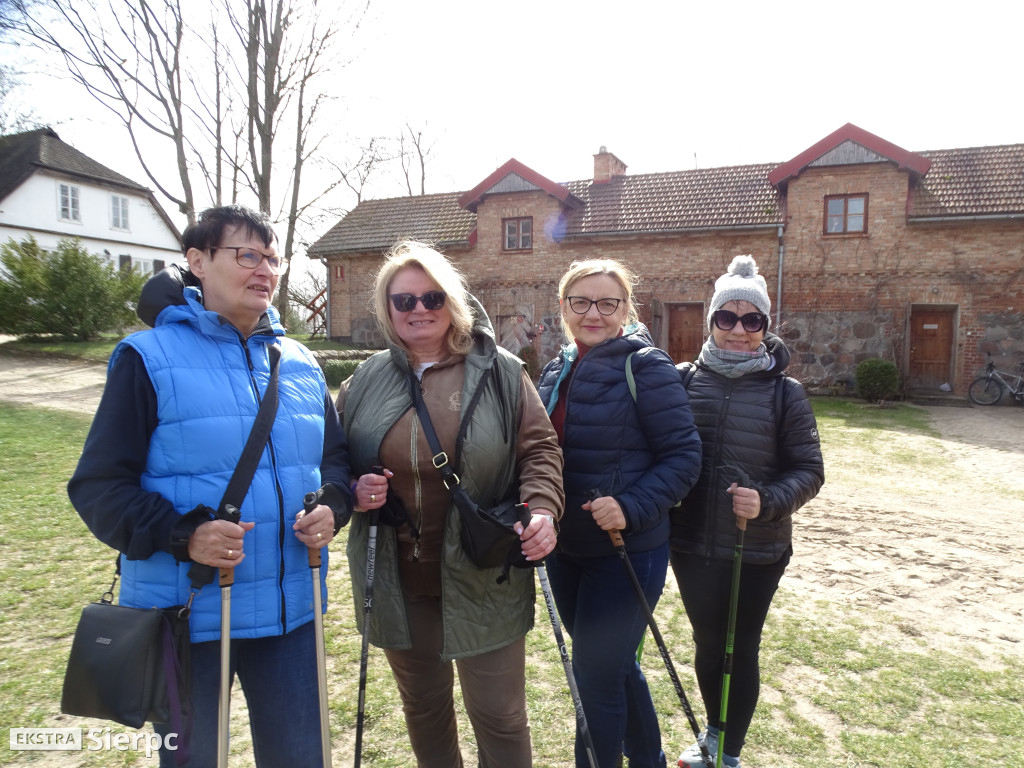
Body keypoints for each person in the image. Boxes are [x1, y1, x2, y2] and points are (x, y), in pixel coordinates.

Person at [67, 205, 351, 768]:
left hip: (292, 609)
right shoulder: (147, 358)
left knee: (303, 757)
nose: (264, 270)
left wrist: (335, 507)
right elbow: (98, 486)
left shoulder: (298, 362)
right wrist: (184, 534)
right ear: (197, 262)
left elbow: (335, 460)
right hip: (189, 612)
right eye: (247, 254)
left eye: (273, 258)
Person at [338, 240, 564, 768]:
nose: (419, 310)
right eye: (404, 301)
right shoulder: (365, 381)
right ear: (387, 308)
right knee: (423, 707)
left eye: (432, 298)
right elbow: (333, 459)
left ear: (452, 302)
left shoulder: (501, 372)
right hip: (397, 577)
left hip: (483, 573)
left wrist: (543, 508)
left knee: (501, 717)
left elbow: (540, 449)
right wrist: (353, 487)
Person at [536, 259, 703, 768]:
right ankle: (648, 760)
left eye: (607, 303)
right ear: (563, 306)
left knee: (595, 676)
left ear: (626, 309)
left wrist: (629, 506)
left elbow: (684, 457)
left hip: (625, 550)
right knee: (615, 667)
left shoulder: (647, 366)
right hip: (567, 550)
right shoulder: (557, 367)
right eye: (580, 302)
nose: (593, 313)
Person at [671, 255, 825, 768]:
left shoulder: (787, 393)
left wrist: (767, 502)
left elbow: (809, 471)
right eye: (728, 317)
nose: (739, 329)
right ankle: (711, 737)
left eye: (752, 319)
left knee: (741, 648)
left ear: (765, 326)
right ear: (711, 321)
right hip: (691, 542)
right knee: (708, 641)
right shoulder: (682, 380)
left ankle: (728, 750)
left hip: (756, 546)